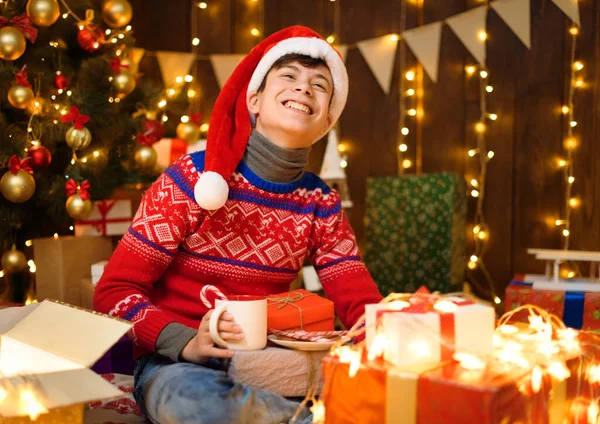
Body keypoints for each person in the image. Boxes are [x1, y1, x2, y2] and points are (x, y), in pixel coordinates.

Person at [94, 25, 383, 424]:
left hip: (270, 362)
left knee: (357, 390)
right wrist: (184, 341)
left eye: (320, 85)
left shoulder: (321, 203)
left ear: (326, 122)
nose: (304, 89)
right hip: (177, 363)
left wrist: (392, 351)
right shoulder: (191, 181)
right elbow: (115, 291)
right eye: (289, 77)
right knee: (193, 402)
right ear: (255, 99)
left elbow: (358, 301)